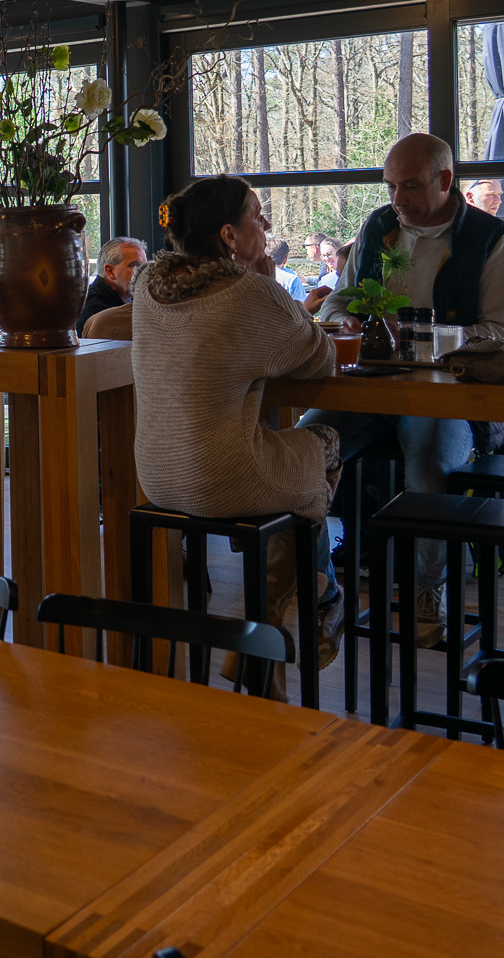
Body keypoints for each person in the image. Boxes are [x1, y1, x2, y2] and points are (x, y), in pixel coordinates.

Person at [129, 177, 343, 695]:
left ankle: (263, 649)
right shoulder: (251, 293)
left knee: (289, 470)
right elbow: (322, 359)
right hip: (222, 478)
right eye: (256, 215)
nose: (266, 225)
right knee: (326, 444)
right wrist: (270, 285)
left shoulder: (144, 288)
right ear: (228, 235)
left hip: (156, 476)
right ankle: (318, 599)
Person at [312, 133, 504, 645]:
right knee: (304, 446)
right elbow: (335, 304)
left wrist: (426, 340)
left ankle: (430, 591)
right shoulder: (378, 227)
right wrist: (345, 324)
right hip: (369, 395)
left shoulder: (492, 238)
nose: (396, 199)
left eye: (408, 185)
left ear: (445, 181)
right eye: (390, 186)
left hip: (452, 398)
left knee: (428, 462)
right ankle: (322, 592)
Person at [76, 237, 147, 330]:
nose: (144, 272)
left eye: (144, 266)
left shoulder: (138, 299)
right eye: (135, 266)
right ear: (110, 271)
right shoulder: (95, 309)